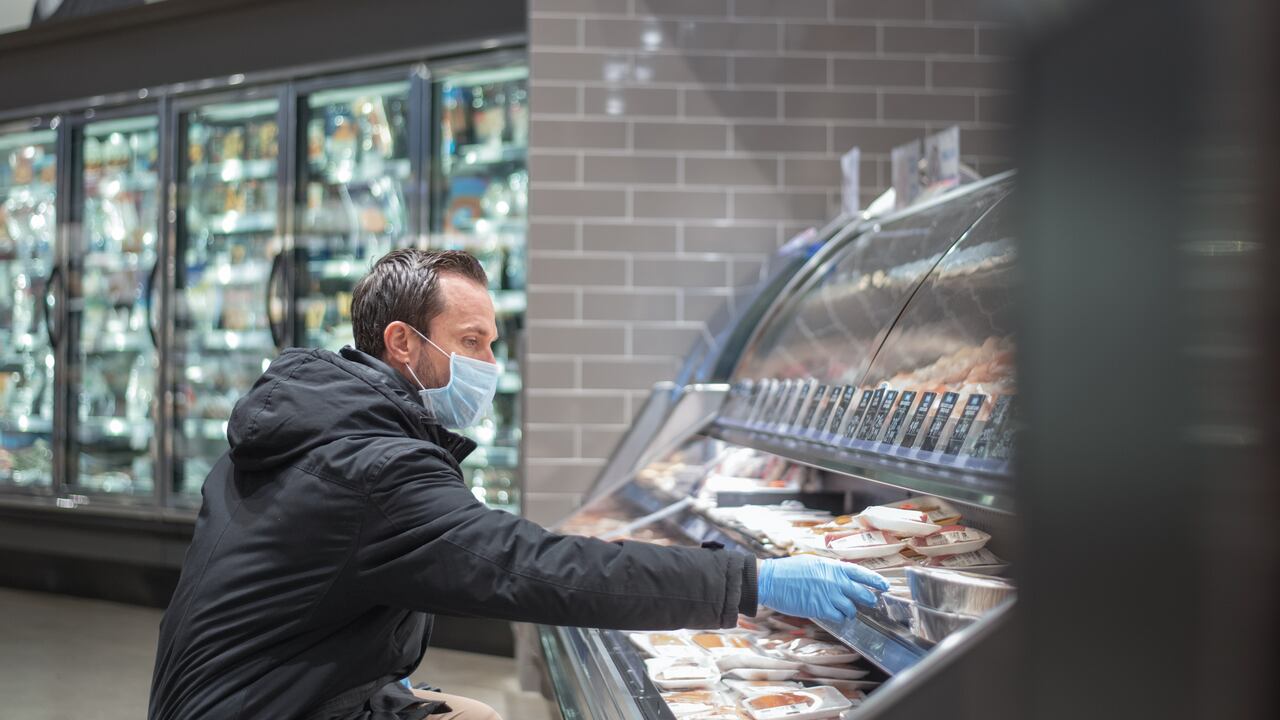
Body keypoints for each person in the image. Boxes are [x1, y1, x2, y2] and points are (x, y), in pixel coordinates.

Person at [147, 250, 888, 720]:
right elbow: (532, 568)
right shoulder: (372, 466)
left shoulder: (310, 421)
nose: (490, 366)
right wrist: (752, 581)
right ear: (402, 343)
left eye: (493, 345)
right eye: (470, 343)